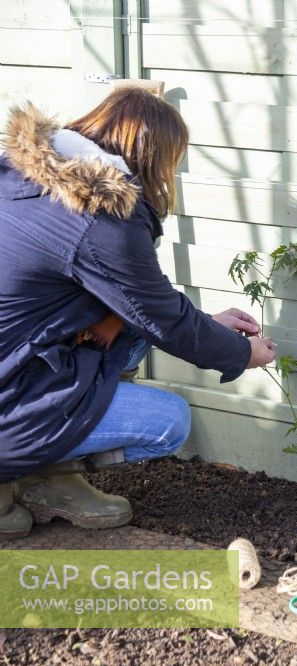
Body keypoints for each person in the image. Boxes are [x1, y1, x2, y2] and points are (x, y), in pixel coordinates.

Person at [0, 88, 276, 536]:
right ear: (151, 159)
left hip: (16, 361)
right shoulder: (98, 219)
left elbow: (147, 308)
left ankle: (34, 468)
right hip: (9, 399)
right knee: (168, 423)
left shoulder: (18, 176)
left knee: (130, 330)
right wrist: (242, 355)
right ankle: (26, 473)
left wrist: (208, 325)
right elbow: (164, 319)